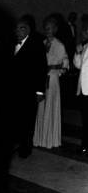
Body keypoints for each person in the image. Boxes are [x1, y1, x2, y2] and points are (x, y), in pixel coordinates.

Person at [9, 15, 47, 158]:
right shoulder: (11, 42)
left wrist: (39, 91)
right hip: (13, 90)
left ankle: (26, 148)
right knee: (14, 118)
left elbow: (41, 69)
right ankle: (15, 143)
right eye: (17, 28)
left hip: (29, 90)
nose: (18, 31)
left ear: (28, 30)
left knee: (28, 120)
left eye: (22, 28)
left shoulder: (36, 45)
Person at [34, 15, 69, 149]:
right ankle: (40, 138)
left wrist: (53, 68)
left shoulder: (60, 45)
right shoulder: (41, 44)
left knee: (51, 108)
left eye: (50, 28)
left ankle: (50, 140)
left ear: (55, 29)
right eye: (45, 28)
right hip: (41, 79)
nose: (47, 30)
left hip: (53, 80)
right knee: (41, 108)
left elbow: (65, 66)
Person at [73, 17, 88, 155]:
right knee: (85, 120)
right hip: (84, 89)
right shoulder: (84, 46)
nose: (84, 34)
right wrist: (77, 52)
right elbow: (78, 65)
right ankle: (85, 145)